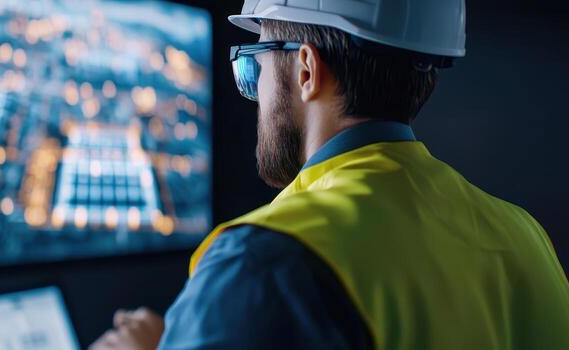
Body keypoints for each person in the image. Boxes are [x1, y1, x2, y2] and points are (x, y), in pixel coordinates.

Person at [91, 0, 569, 349]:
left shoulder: (263, 261)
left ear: (305, 70)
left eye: (255, 68)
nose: (255, 95)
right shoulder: (525, 237)